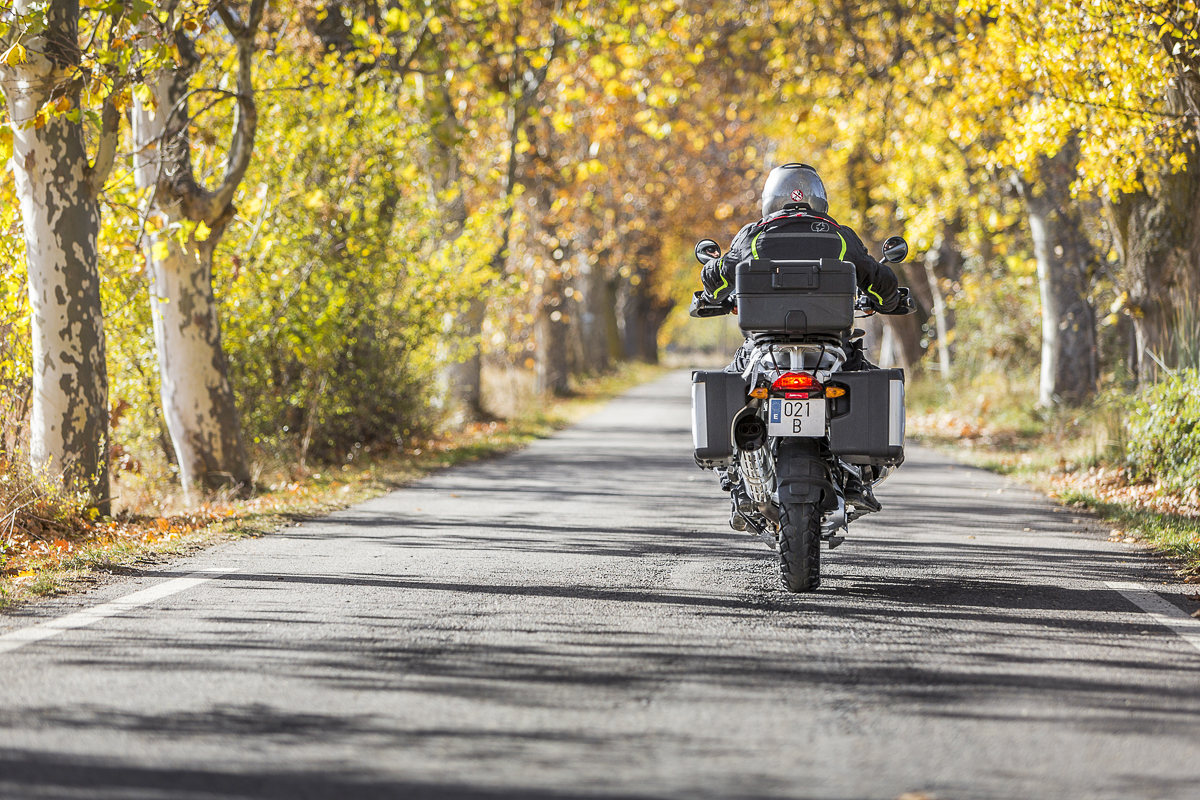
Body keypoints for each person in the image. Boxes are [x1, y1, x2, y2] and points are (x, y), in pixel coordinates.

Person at [697, 162, 901, 525]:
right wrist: (889, 299)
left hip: (765, 349)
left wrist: (711, 291)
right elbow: (877, 277)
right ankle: (861, 476)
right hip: (831, 349)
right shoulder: (839, 236)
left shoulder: (753, 236)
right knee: (866, 377)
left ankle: (733, 474)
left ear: (770, 199)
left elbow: (717, 276)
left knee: (734, 378)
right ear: (819, 198)